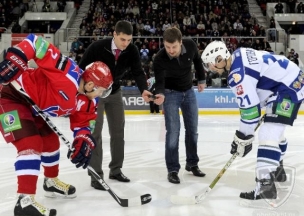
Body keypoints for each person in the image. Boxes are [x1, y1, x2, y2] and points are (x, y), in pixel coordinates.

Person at [0, 34, 113, 216]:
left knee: (51, 142)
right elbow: (36, 43)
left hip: (33, 106)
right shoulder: (67, 72)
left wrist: (83, 140)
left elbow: (83, 124)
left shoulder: (89, 101)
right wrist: (18, 57)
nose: (102, 94)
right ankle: (24, 200)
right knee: (30, 144)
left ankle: (50, 182)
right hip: (9, 95)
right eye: (102, 90)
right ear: (91, 84)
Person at [201, 40, 304, 203]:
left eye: (211, 64)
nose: (210, 68)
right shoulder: (238, 54)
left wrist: (243, 137)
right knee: (275, 131)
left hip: (288, 88)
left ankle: (265, 186)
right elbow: (261, 77)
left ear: (220, 59)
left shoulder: (237, 76)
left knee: (268, 132)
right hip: (290, 80)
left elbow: (250, 113)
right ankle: (278, 171)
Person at [78, 20, 150, 190]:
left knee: (118, 132)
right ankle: (96, 175)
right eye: (122, 39)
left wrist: (144, 90)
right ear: (114, 35)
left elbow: (138, 71)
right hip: (95, 95)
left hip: (115, 92)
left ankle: (116, 170)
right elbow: (80, 69)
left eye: (129, 40)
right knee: (95, 133)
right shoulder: (97, 47)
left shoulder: (131, 50)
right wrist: (84, 90)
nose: (126, 44)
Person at [145, 27, 206, 184]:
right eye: (167, 47)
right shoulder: (159, 58)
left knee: (193, 131)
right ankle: (172, 169)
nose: (170, 50)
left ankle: (192, 164)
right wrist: (160, 94)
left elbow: (198, 61)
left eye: (174, 47)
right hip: (170, 94)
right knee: (173, 133)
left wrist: (201, 79)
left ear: (181, 42)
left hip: (189, 92)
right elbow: (159, 82)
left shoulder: (191, 45)